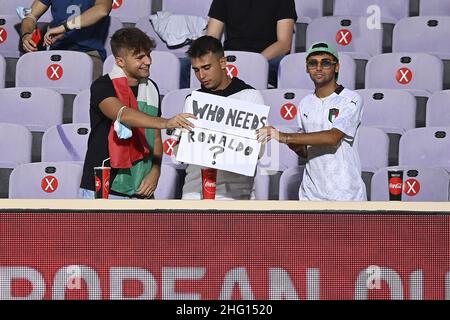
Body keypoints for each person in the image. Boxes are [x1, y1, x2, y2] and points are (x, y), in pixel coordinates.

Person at [79, 28, 195, 199]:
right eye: (140, 57)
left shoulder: (152, 88)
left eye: (148, 54)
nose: (148, 61)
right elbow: (123, 114)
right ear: (120, 61)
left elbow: (155, 138)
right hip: (103, 186)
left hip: (142, 187)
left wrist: (155, 172)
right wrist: (165, 122)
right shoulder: (103, 86)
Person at [257, 42, 366, 201]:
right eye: (313, 63)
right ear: (307, 68)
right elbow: (306, 152)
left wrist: (285, 136)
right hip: (311, 195)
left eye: (326, 62)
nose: (319, 67)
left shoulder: (351, 99)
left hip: (346, 193)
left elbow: (333, 137)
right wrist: (292, 144)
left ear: (337, 67)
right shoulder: (305, 103)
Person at [180, 35, 265, 200]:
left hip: (234, 194)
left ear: (223, 63)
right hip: (194, 193)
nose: (201, 76)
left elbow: (258, 151)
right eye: (196, 70)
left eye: (206, 67)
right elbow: (183, 150)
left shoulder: (250, 97)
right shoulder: (192, 100)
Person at [206, 0, 297, 87]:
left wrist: (255, 62)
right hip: (231, 59)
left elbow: (284, 44)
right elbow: (211, 38)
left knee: (289, 68)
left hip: (267, 59)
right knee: (194, 62)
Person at [20, 0, 113, 79]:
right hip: (56, 53)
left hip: (89, 53)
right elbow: (29, 16)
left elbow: (102, 10)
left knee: (91, 94)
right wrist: (26, 34)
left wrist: (64, 27)